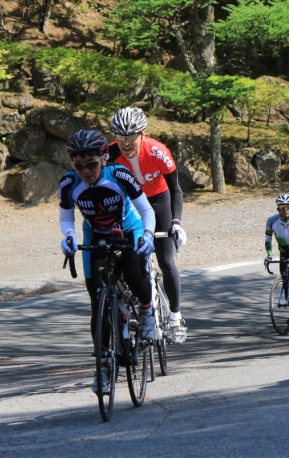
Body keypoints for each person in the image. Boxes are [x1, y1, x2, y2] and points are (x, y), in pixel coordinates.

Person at [58, 129, 156, 393]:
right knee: (97, 305)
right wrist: (68, 236)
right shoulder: (68, 184)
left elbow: (146, 209)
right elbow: (66, 217)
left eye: (91, 164)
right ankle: (102, 369)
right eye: (79, 165)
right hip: (96, 238)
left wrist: (147, 234)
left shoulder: (120, 175)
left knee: (135, 277)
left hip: (129, 231)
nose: (86, 171)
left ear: (103, 158)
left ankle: (147, 311)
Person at [108, 106, 188, 344]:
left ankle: (175, 315)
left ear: (142, 134)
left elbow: (175, 189)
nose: (125, 143)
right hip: (131, 206)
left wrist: (176, 223)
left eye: (130, 137)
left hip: (158, 200)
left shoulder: (157, 151)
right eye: (120, 137)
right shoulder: (109, 155)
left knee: (165, 260)